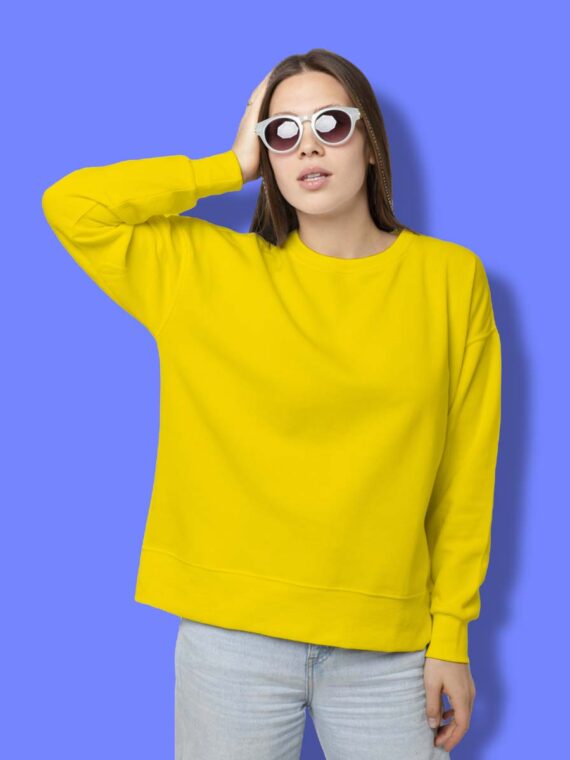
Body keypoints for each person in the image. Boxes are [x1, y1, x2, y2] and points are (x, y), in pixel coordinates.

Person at [41, 48, 501, 759]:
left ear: (372, 143)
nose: (307, 145)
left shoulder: (450, 279)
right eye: (282, 132)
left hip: (390, 651)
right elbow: (73, 206)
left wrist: (452, 637)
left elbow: (465, 475)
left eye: (331, 124)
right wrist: (227, 166)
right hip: (232, 644)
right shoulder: (205, 272)